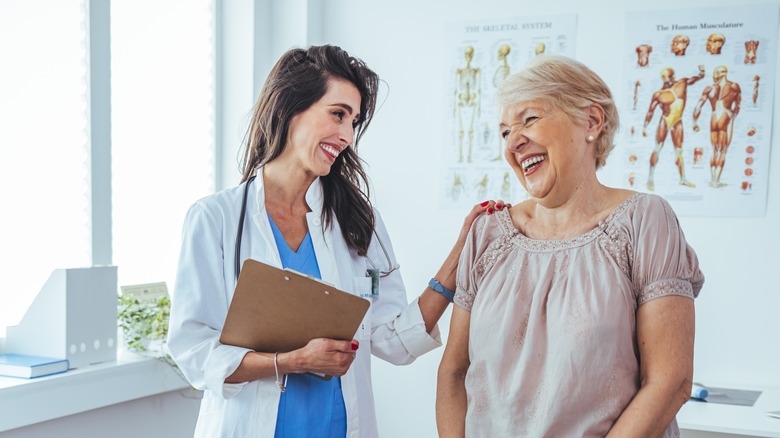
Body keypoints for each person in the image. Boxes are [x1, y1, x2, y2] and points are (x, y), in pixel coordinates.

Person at [167, 44, 498, 438]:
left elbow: (392, 339)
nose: (347, 136)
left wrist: (459, 257)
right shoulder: (215, 219)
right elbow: (194, 351)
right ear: (288, 108)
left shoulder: (357, 221)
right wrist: (292, 361)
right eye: (338, 115)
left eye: (354, 121)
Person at [436, 55, 704, 437]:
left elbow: (669, 381)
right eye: (504, 132)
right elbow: (453, 373)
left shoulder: (644, 221)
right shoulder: (488, 234)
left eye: (529, 119)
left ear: (592, 122)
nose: (513, 141)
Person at [642, 65, 705, 190]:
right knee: (658, 148)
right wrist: (645, 126)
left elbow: (696, 78)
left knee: (679, 151)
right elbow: (650, 111)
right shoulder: (659, 94)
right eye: (664, 77)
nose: (667, 80)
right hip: (665, 120)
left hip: (677, 121)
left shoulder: (682, 83)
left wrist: (702, 72)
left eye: (669, 77)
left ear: (673, 76)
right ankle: (650, 178)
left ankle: (683, 179)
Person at [692, 65, 742, 188]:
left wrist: (694, 122)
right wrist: (732, 116)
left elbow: (698, 106)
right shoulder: (734, 86)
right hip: (726, 115)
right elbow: (738, 106)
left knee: (715, 150)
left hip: (714, 117)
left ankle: (713, 179)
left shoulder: (709, 88)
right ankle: (716, 181)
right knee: (723, 151)